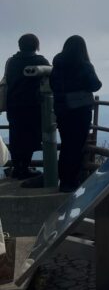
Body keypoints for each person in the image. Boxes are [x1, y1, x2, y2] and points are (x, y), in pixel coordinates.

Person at [50, 36, 102, 192]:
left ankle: (64, 181)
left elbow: (53, 85)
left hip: (62, 110)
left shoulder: (57, 65)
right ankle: (72, 182)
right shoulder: (85, 65)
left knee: (66, 145)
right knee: (77, 146)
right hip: (80, 111)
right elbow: (96, 85)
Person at [4, 34, 50, 178]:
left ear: (20, 45)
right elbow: (50, 76)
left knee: (16, 136)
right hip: (32, 106)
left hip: (13, 105)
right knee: (30, 138)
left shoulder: (11, 61)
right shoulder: (40, 60)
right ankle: (24, 168)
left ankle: (17, 168)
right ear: (36, 45)